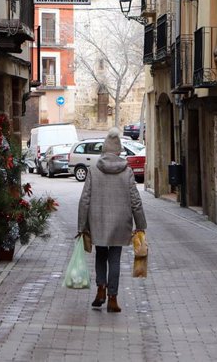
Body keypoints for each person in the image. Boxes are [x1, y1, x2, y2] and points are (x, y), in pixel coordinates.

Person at [77, 127, 147, 312]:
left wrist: (82, 225)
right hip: (120, 223)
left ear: (104, 150)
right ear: (118, 151)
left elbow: (84, 200)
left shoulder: (93, 170)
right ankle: (113, 299)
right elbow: (135, 200)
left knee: (101, 254)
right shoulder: (127, 172)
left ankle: (100, 288)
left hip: (98, 221)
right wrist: (141, 225)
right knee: (114, 259)